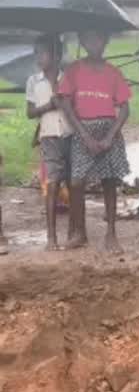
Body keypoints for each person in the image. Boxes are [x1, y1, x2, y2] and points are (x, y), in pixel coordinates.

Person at [58, 29, 132, 253]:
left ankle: (111, 234)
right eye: (89, 38)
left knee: (109, 182)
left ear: (106, 41)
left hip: (109, 130)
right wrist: (84, 135)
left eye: (99, 37)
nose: (95, 42)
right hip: (83, 130)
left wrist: (110, 136)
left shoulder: (113, 72)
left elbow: (125, 109)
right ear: (82, 41)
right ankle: (80, 232)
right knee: (77, 182)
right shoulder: (73, 71)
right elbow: (66, 106)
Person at [26, 34, 71, 251]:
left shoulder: (67, 79)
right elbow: (30, 112)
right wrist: (47, 106)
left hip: (70, 135)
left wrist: (61, 97)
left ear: (57, 55)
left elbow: (75, 108)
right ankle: (51, 238)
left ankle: (75, 232)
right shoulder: (33, 81)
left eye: (43, 53)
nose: (38, 58)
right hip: (49, 137)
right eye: (37, 53)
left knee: (73, 183)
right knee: (51, 183)